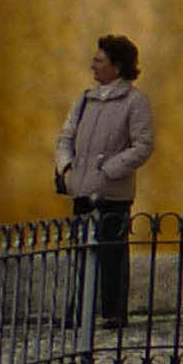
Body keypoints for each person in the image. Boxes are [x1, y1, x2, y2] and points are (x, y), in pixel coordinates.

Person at [56, 34, 154, 329]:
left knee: (112, 256)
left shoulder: (135, 102)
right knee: (80, 253)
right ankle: (80, 310)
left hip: (113, 193)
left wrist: (109, 170)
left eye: (99, 61)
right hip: (81, 188)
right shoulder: (84, 100)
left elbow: (143, 145)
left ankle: (112, 311)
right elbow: (66, 136)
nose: (93, 66)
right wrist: (67, 167)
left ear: (117, 66)